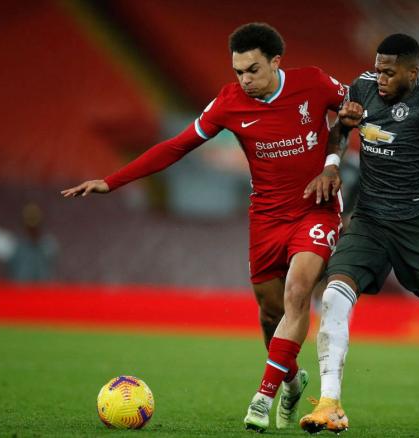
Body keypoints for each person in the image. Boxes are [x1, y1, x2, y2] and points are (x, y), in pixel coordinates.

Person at [61, 23, 358, 432]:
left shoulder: (314, 83)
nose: (244, 80)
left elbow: (360, 105)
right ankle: (290, 379)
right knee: (271, 312)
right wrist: (112, 180)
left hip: (316, 210)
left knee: (298, 291)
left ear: (276, 62)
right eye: (238, 71)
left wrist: (340, 157)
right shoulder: (229, 102)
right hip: (266, 219)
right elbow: (176, 145)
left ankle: (262, 397)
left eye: (253, 69)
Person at [299, 34, 419, 433]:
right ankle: (330, 403)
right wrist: (332, 164)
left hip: (417, 222)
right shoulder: (362, 87)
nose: (379, 77)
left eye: (389, 71)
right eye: (378, 68)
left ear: (412, 72)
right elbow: (340, 129)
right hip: (369, 218)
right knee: (333, 295)